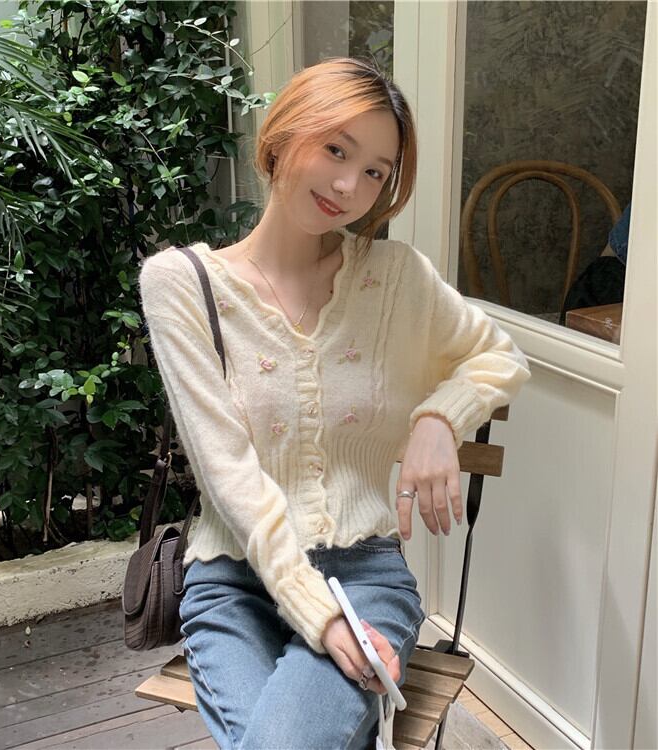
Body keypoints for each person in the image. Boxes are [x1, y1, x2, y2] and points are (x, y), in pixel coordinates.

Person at [139, 57, 531, 750]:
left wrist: (439, 419)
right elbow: (226, 469)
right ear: (283, 133)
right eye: (336, 149)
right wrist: (316, 614)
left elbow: (499, 356)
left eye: (376, 171)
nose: (350, 186)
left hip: (365, 571)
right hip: (234, 579)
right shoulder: (182, 285)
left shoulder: (396, 278)